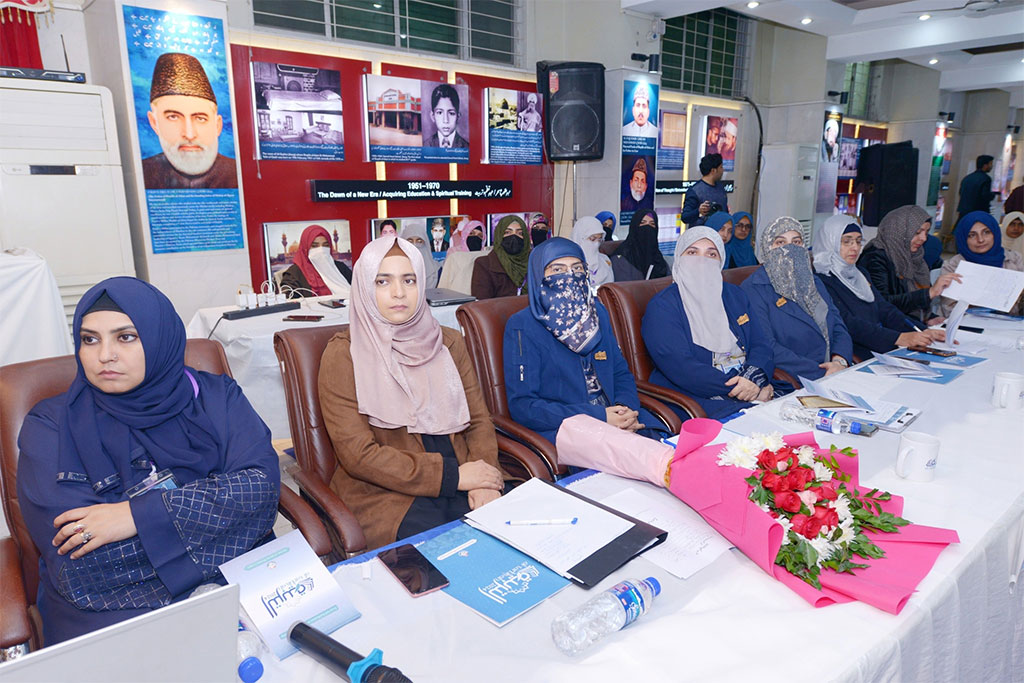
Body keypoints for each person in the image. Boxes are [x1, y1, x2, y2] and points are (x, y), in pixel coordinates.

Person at [17, 277, 279, 644]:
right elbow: (85, 567)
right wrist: (225, 525)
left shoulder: (218, 397)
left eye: (125, 337)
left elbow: (262, 492)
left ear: (159, 338)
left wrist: (135, 516)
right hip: (112, 614)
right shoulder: (49, 426)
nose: (104, 354)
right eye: (90, 339)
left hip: (243, 586)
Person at [319, 237, 504, 549]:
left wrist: (485, 479)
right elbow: (359, 456)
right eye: (383, 281)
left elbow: (479, 421)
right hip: (390, 494)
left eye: (409, 279)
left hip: (465, 474)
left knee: (515, 538)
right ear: (365, 287)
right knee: (452, 554)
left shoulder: (449, 343)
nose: (398, 293)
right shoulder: (344, 355)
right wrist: (452, 477)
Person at [503, 238, 660, 445]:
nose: (570, 276)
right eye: (557, 269)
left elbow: (620, 373)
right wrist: (600, 417)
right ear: (538, 276)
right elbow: (524, 407)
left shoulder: (597, 314)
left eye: (577, 268)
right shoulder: (522, 326)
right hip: (571, 429)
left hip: (620, 419)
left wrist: (625, 410)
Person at [643, 227, 774, 420]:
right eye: (692, 252)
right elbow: (682, 367)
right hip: (697, 397)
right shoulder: (663, 306)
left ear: (721, 261)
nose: (701, 260)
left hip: (749, 385)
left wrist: (754, 379)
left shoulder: (735, 295)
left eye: (711, 254)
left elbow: (761, 344)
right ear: (679, 258)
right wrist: (746, 390)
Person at [742, 216, 853, 390]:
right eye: (780, 243)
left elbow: (838, 325)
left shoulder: (813, 281)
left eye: (796, 242)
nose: (789, 249)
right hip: (797, 380)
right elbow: (766, 346)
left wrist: (840, 360)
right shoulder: (754, 289)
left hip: (836, 372)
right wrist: (822, 372)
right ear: (766, 248)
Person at [814, 215, 943, 360]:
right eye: (846, 242)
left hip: (880, 346)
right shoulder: (820, 279)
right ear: (830, 242)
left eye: (858, 241)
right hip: (852, 352)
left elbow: (884, 309)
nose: (855, 247)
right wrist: (898, 338)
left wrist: (921, 330)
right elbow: (847, 322)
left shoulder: (859, 273)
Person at [142, 53, 238, 190]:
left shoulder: (237, 175)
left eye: (200, 119)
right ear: (154, 123)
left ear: (217, 126)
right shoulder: (142, 175)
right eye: (173, 117)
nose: (189, 134)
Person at [858, 205, 960, 322]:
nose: (923, 238)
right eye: (917, 232)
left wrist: (929, 318)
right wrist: (929, 293)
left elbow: (912, 302)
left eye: (926, 233)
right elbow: (882, 303)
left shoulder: (915, 257)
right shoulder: (874, 258)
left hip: (908, 324)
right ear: (899, 231)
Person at [939, 211, 1024, 317]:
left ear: (995, 233)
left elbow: (1019, 305)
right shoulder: (953, 266)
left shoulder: (1014, 259)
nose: (980, 240)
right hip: (967, 326)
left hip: (1010, 326)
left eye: (986, 232)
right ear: (963, 238)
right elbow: (949, 309)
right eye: (972, 235)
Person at [279, 224, 352, 299]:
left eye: (325, 245)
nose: (321, 249)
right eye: (314, 246)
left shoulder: (340, 268)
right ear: (305, 248)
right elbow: (288, 300)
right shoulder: (293, 274)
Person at [471, 215, 531, 299]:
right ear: (499, 236)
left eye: (520, 233)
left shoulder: (534, 261)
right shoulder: (484, 264)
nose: (514, 237)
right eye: (507, 232)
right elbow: (481, 304)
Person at [611, 210, 669, 281]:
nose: (647, 227)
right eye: (642, 223)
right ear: (634, 227)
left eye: (652, 224)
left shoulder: (658, 258)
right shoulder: (621, 258)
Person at [681, 153, 729, 227]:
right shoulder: (695, 191)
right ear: (713, 170)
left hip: (719, 234)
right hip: (701, 234)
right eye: (721, 167)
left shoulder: (720, 188)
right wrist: (699, 211)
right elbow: (685, 217)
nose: (723, 170)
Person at [570, 216, 614, 290]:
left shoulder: (605, 262)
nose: (596, 244)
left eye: (599, 239)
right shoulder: (568, 264)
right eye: (592, 239)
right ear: (579, 238)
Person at [424, 84, 468, 149]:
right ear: (433, 116)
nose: (445, 120)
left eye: (451, 113)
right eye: (439, 112)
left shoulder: (467, 147)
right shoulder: (425, 145)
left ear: (458, 116)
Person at [399, 224, 440, 289]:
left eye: (419, 241)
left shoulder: (437, 272)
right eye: (410, 241)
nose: (415, 245)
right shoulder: (394, 270)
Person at [956, 155, 994, 219]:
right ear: (985, 165)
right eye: (990, 164)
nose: (991, 166)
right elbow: (985, 196)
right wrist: (992, 195)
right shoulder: (986, 179)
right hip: (977, 212)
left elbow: (960, 192)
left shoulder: (967, 178)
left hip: (963, 211)